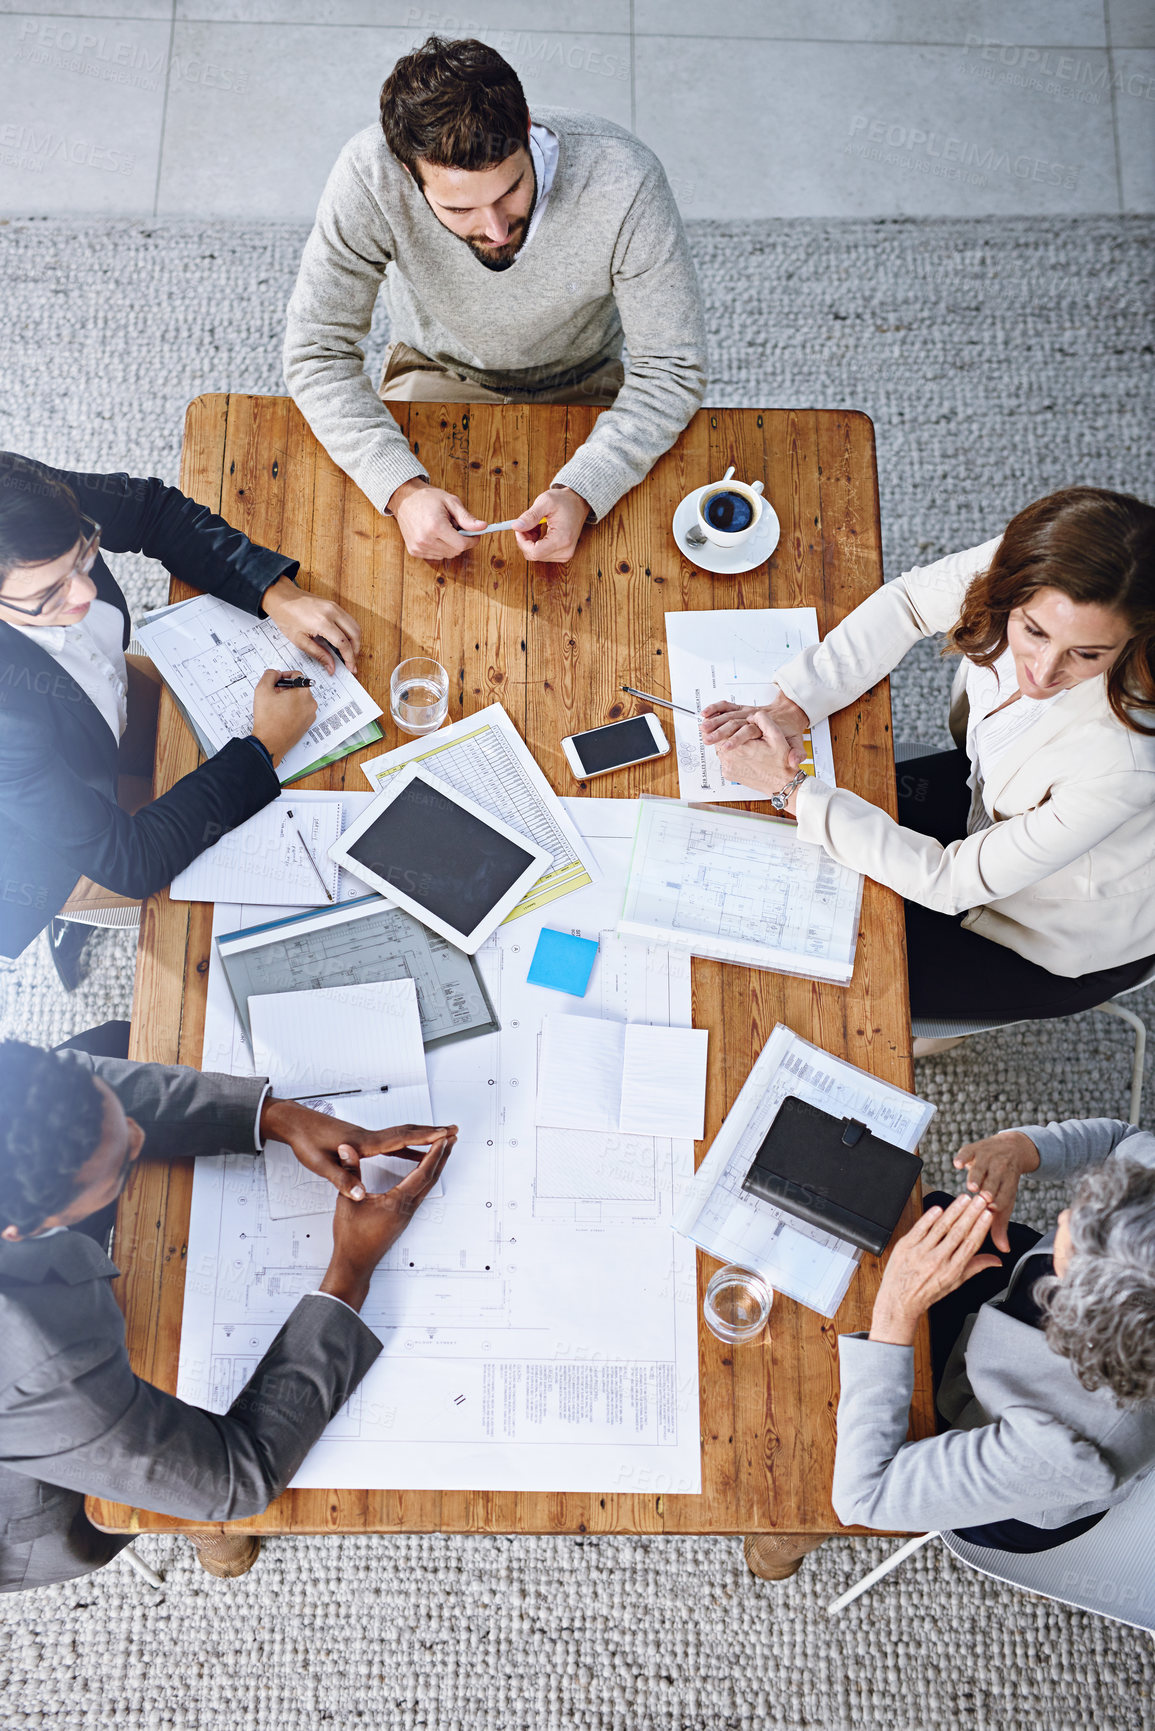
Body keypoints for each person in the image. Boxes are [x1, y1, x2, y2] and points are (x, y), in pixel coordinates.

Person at [0, 1030, 456, 1591]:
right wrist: (349, 1273)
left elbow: (65, 1082)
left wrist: (275, 1117)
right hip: (31, 1494)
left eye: (108, 1107)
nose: (137, 1135)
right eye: (118, 1167)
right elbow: (236, 1480)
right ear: (21, 1232)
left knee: (116, 1041)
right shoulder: (41, 1369)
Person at [699, 487, 1155, 1024]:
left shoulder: (1126, 762)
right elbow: (911, 603)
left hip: (1046, 931)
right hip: (981, 805)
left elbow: (951, 881)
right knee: (765, 863)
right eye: (1032, 631)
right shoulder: (1046, 566)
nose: (1044, 671)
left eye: (1087, 655)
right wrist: (796, 703)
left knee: (802, 978)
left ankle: (936, 1034)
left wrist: (791, 788)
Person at [284, 35, 707, 565]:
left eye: (510, 190)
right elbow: (316, 353)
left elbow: (670, 367)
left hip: (584, 376)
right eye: (458, 208)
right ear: (406, 171)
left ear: (527, 128)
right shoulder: (369, 176)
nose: (496, 230)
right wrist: (402, 489)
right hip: (433, 367)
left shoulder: (625, 180)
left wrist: (583, 490)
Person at [0, 452, 362, 981]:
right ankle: (79, 920)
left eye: (82, 556)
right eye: (49, 593)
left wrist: (277, 595)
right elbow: (131, 862)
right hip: (35, 849)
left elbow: (151, 510)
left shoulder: (20, 497)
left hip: (90, 705)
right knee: (180, 907)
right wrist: (264, 748)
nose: (87, 590)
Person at [831, 1115, 1155, 1546]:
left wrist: (896, 1310)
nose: (1062, 1215)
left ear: (1076, 1313)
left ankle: (786, 1541)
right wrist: (1022, 1149)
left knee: (825, 1420)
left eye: (1077, 1236)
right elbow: (1125, 1142)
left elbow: (863, 1495)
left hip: (1001, 1449)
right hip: (1008, 1299)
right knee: (910, 1212)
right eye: (1087, 1203)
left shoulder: (1076, 1447)